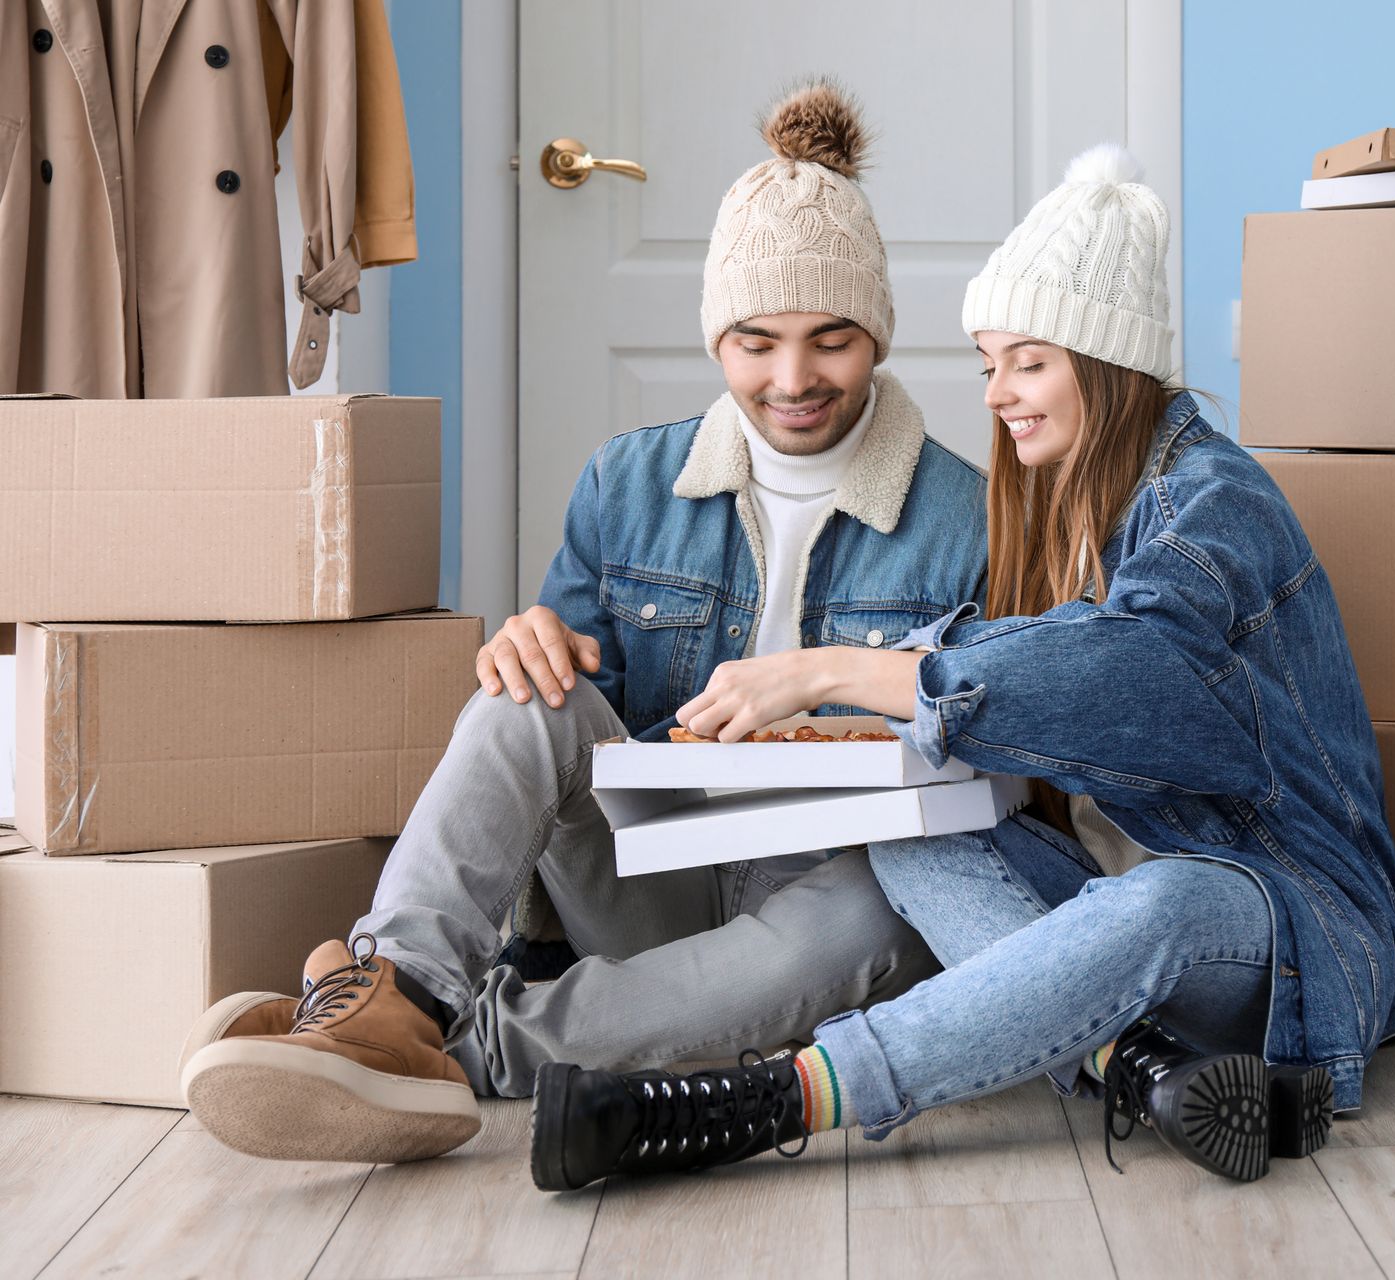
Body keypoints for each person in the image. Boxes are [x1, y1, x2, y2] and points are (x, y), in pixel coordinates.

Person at [528, 145, 1395, 1191]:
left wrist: (843, 668)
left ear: (1106, 359)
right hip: (1125, 929)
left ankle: (768, 1100)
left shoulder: (1214, 503)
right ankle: (1145, 1071)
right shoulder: (1071, 508)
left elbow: (1133, 671)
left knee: (1163, 901)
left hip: (1295, 930)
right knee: (916, 840)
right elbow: (998, 665)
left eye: (1030, 361)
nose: (999, 392)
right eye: (989, 362)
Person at [179, 81, 986, 1166]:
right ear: (716, 337)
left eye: (831, 340)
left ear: (877, 335)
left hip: (819, 898)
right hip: (647, 869)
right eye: (755, 341)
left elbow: (1004, 743)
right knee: (522, 701)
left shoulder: (968, 515)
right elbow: (558, 704)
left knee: (882, 921)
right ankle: (399, 983)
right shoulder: (628, 481)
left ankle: (430, 1042)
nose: (792, 379)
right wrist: (527, 644)